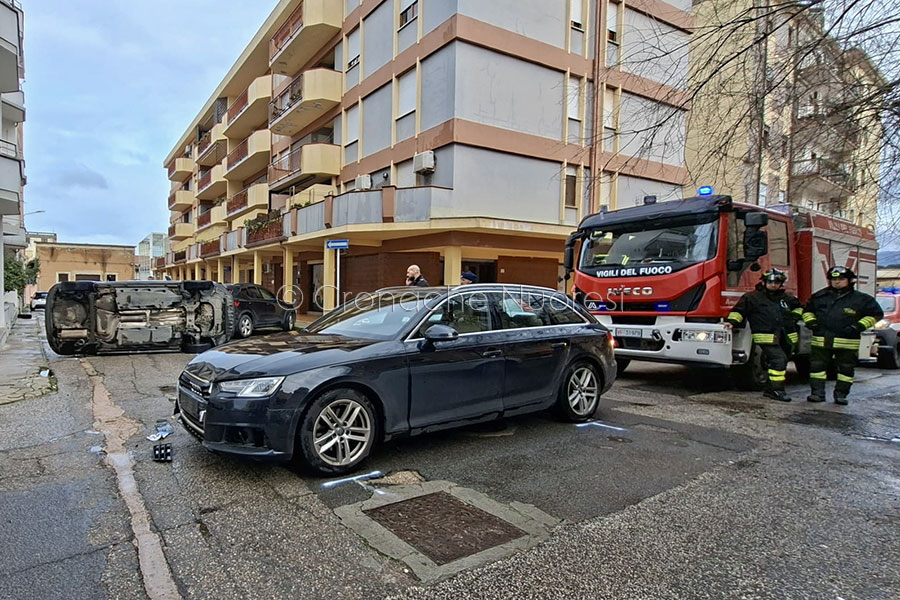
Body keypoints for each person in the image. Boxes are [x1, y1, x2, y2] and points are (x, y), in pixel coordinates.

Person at [801, 266, 883, 405]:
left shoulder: (861, 299)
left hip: (847, 341)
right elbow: (807, 311)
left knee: (845, 370)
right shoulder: (819, 296)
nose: (837, 281)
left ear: (849, 280)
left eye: (841, 279)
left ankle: (841, 395)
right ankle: (817, 394)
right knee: (817, 368)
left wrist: (858, 326)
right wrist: (811, 322)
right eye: (834, 279)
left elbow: (876, 314)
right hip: (822, 340)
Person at [727, 268, 803, 402]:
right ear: (764, 282)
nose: (773, 285)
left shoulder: (787, 298)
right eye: (770, 282)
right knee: (779, 360)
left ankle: (769, 388)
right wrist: (731, 322)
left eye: (776, 282)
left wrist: (794, 317)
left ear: (781, 284)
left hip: (786, 336)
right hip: (766, 335)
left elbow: (799, 308)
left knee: (781, 361)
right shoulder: (752, 297)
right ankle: (777, 390)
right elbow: (739, 311)